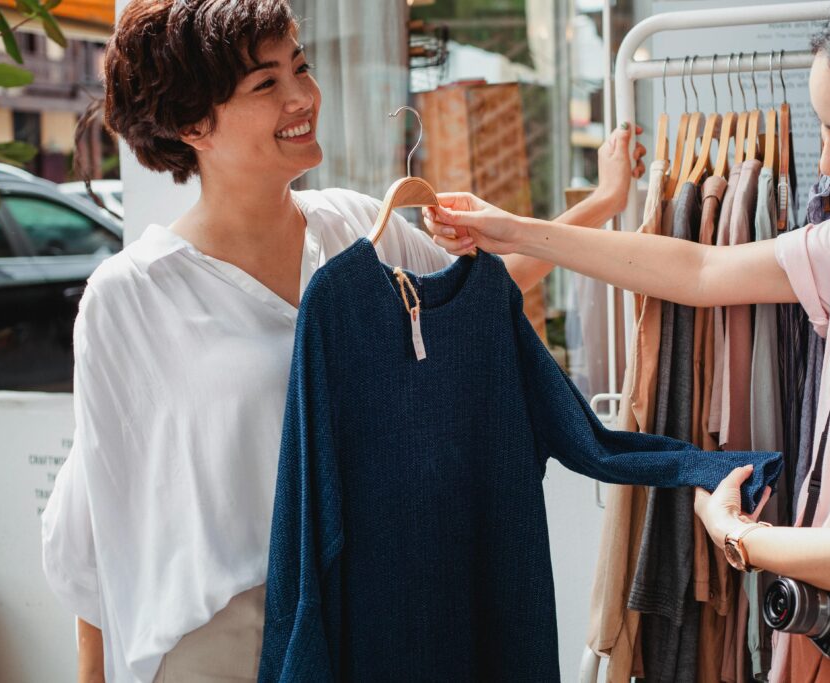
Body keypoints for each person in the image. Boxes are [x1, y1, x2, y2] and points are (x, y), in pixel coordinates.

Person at [40, 1, 647, 680]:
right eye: (266, 84)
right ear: (193, 125)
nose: (302, 96)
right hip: (226, 638)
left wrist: (602, 201)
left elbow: (473, 302)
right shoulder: (132, 296)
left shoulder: (356, 229)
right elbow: (93, 520)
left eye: (300, 67)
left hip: (367, 606)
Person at [425, 0, 830, 680]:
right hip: (826, 641)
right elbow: (701, 270)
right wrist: (517, 231)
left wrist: (741, 537)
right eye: (824, 134)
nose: (826, 165)